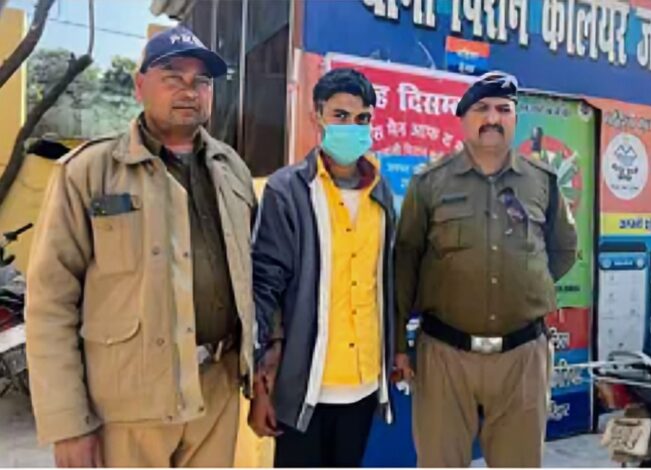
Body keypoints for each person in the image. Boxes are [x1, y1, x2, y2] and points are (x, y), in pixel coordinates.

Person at [25, 25, 257, 467]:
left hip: (216, 389)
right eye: (172, 77)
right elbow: (51, 302)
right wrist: (67, 422)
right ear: (139, 86)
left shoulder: (232, 171)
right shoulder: (90, 172)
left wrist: (257, 372)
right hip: (128, 403)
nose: (189, 90)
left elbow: (251, 280)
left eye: (201, 81)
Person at [393, 71, 577, 467]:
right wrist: (398, 346)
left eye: (503, 109)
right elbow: (405, 263)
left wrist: (523, 286)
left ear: (515, 119)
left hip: (522, 357)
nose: (493, 118)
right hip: (445, 356)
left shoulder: (542, 182)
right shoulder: (429, 183)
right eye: (482, 108)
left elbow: (563, 250)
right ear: (463, 119)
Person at [248, 68, 395, 467]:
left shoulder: (380, 195)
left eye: (362, 118)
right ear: (317, 117)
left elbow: (385, 284)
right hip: (304, 386)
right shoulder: (288, 190)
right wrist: (259, 380)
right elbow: (265, 286)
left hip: (363, 385)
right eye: (340, 116)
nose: (352, 127)